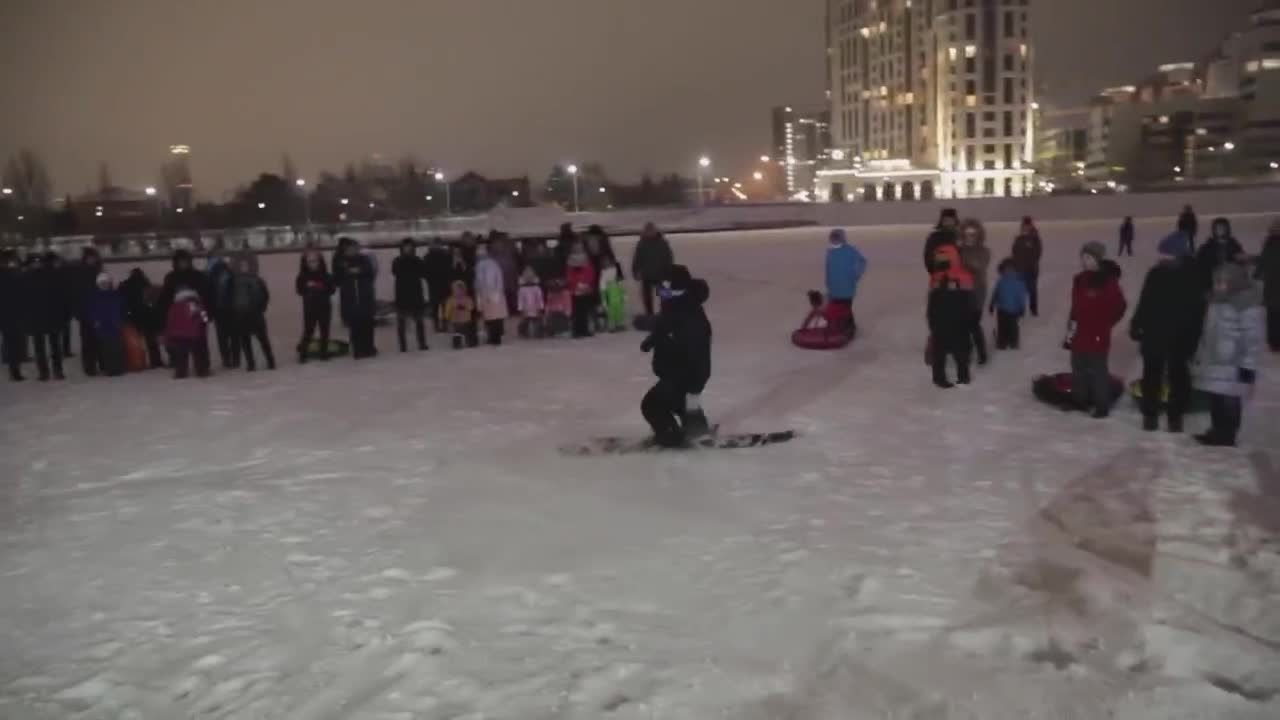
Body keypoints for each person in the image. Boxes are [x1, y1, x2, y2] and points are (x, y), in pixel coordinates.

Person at [1129, 234, 1205, 433]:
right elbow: (1145, 301)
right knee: (1151, 376)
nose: (1162, 258)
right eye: (1162, 254)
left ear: (1179, 254)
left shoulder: (1193, 276)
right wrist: (1136, 324)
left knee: (1178, 378)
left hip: (1180, 337)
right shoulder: (1155, 273)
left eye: (1167, 254)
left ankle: (1175, 416)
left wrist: (1193, 339)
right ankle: (1150, 414)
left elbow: (1198, 312)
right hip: (1154, 334)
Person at [640, 265, 712, 447]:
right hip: (675, 372)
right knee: (682, 405)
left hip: (684, 375)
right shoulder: (675, 306)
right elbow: (665, 327)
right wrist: (651, 341)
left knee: (652, 405)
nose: (658, 293)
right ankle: (698, 432)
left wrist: (695, 385)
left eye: (662, 289)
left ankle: (671, 437)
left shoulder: (689, 316)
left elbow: (698, 353)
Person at [1193, 262, 1264, 447]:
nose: (1218, 286)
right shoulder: (1216, 302)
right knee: (1216, 399)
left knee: (1230, 400)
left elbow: (1252, 339)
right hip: (1215, 360)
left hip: (1233, 362)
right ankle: (1217, 431)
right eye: (1216, 282)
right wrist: (1201, 354)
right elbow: (1208, 331)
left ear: (1234, 282)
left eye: (1222, 282)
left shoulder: (1246, 306)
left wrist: (1248, 366)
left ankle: (1227, 436)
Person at [1065, 242, 1127, 418]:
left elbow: (1120, 306)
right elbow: (1075, 307)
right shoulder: (1079, 279)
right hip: (1079, 333)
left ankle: (1102, 405)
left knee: (1098, 371)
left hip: (1098, 334)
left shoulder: (1108, 281)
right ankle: (1080, 400)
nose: (1085, 261)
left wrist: (1106, 323)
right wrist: (1071, 329)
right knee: (1078, 367)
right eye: (1083, 257)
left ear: (1098, 259)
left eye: (1089, 257)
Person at [927, 244, 975, 389]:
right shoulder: (935, 277)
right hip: (941, 321)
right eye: (939, 257)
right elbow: (932, 301)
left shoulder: (964, 276)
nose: (941, 260)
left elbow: (968, 300)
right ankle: (939, 378)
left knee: (960, 350)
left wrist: (968, 319)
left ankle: (963, 377)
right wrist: (932, 320)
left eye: (944, 256)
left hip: (957, 321)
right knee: (939, 352)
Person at [223, 255, 275, 371]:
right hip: (240, 315)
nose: (243, 268)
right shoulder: (232, 281)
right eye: (241, 265)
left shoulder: (257, 280)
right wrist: (233, 310)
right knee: (245, 341)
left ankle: (270, 361)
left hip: (255, 314)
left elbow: (265, 295)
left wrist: (261, 307)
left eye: (246, 265)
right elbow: (228, 297)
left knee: (263, 339)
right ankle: (251, 363)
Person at [29, 252, 69, 381]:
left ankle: (57, 370)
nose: (37, 264)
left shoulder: (52, 275)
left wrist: (62, 313)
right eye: (34, 262)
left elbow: (60, 296)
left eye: (38, 261)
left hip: (51, 316)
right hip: (36, 317)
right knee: (40, 347)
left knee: (54, 345)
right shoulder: (27, 277)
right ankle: (44, 372)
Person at [335, 240, 378, 359]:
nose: (352, 251)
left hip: (365, 299)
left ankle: (369, 348)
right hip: (351, 301)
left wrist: (359, 271)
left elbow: (370, 272)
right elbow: (338, 278)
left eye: (354, 248)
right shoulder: (341, 261)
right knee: (355, 327)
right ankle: (358, 349)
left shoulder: (364, 259)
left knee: (368, 325)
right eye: (349, 249)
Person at [958, 218, 991, 365]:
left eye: (973, 233)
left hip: (977, 292)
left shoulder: (983, 251)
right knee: (963, 324)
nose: (970, 236)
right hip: (962, 292)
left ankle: (981, 353)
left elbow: (978, 266)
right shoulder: (959, 251)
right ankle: (966, 349)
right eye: (967, 233)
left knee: (974, 324)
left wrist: (967, 268)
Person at [119, 268, 165, 369]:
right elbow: (154, 301)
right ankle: (156, 361)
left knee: (135, 341)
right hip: (148, 315)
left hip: (133, 315)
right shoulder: (146, 284)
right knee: (151, 340)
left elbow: (122, 300)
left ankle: (137, 361)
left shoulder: (125, 286)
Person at [824, 228, 868, 335]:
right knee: (835, 309)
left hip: (847, 288)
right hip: (834, 289)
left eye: (837, 238)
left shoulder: (850, 250)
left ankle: (850, 328)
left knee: (846, 310)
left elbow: (862, 261)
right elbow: (828, 269)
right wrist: (828, 284)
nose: (834, 240)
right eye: (833, 238)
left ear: (842, 239)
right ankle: (838, 326)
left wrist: (856, 275)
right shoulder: (830, 252)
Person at [296, 250, 336, 362]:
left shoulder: (326, 275)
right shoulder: (302, 276)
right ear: (305, 263)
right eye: (310, 262)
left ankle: (324, 353)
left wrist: (319, 287)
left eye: (315, 261)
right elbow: (299, 290)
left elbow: (332, 290)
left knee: (325, 331)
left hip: (325, 307)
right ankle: (303, 354)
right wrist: (308, 288)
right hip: (310, 308)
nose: (313, 264)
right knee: (308, 331)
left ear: (320, 262)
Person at [85, 272, 127, 377]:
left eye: (106, 283)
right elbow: (91, 311)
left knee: (116, 347)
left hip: (115, 325)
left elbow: (122, 309)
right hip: (102, 326)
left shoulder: (115, 295)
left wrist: (121, 320)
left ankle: (119, 367)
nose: (104, 285)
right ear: (98, 284)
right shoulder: (94, 296)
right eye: (102, 283)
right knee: (106, 349)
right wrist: (95, 321)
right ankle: (110, 369)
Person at [72, 247, 106, 375]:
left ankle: (102, 363)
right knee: (88, 341)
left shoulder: (100, 272)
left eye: (93, 257)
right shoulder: (80, 273)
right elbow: (75, 294)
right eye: (89, 257)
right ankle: (90, 366)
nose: (91, 260)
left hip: (99, 311)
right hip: (85, 311)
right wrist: (78, 311)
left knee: (100, 339)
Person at [165, 286, 211, 379]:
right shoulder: (198, 304)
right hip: (195, 333)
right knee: (198, 353)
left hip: (178, 334)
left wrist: (170, 332)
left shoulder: (174, 306)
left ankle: (180, 373)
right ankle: (201, 371)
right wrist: (204, 324)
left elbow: (170, 320)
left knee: (181, 355)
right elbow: (205, 318)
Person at [392, 238, 429, 352]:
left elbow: (423, 273)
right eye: (405, 246)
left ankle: (422, 343)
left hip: (416, 293)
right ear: (402, 248)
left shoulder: (417, 260)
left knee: (419, 321)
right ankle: (403, 346)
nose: (408, 248)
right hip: (402, 294)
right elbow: (395, 271)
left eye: (410, 246)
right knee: (401, 322)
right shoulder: (397, 261)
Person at [631, 222, 674, 318]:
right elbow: (637, 259)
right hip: (647, 275)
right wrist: (636, 271)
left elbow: (669, 258)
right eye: (647, 231)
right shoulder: (642, 244)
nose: (650, 233)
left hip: (662, 274)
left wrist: (669, 271)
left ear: (655, 231)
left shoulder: (662, 243)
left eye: (651, 230)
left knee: (665, 296)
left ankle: (667, 312)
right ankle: (649, 314)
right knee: (647, 297)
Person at [1195, 217, 1245, 293]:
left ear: (1227, 229)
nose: (1220, 230)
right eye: (1218, 228)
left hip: (1231, 285)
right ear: (1213, 229)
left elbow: (1241, 263)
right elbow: (1200, 266)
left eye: (1222, 227)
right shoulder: (1206, 248)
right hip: (1211, 285)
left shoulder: (1234, 246)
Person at [0, 250, 28, 381]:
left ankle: (14, 365)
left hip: (13, 312)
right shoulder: (9, 274)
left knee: (13, 340)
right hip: (10, 313)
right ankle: (14, 370)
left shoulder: (13, 273)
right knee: (12, 341)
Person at [989, 258, 1028, 351]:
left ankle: (1009, 342)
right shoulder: (1002, 280)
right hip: (1005, 309)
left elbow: (1021, 296)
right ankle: (1005, 342)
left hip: (1010, 309)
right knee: (1006, 326)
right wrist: (992, 303)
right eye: (1006, 268)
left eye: (1009, 268)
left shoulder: (1018, 281)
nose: (1007, 270)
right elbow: (996, 293)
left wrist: (1022, 307)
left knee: (1010, 326)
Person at [206, 250, 236, 368]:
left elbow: (207, 294)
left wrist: (209, 312)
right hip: (228, 307)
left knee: (222, 336)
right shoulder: (228, 271)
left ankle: (227, 359)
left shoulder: (209, 273)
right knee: (232, 334)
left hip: (219, 308)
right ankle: (233, 358)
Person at [474, 242, 508, 345]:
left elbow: (481, 280)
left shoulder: (481, 264)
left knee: (490, 317)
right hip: (497, 293)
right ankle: (497, 335)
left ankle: (493, 338)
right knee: (497, 316)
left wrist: (481, 290)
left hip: (487, 293)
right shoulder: (494, 263)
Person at [1011, 216, 1043, 317]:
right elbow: (1014, 251)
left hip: (1031, 269)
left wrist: (1031, 264)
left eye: (1027, 226)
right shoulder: (1019, 238)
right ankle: (1021, 310)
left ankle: (1033, 309)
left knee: (1032, 290)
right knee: (1020, 290)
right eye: (1024, 226)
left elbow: (1037, 253)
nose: (1025, 227)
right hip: (1020, 269)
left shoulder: (1034, 238)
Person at [566, 241, 597, 338]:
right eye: (576, 246)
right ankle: (576, 331)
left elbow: (591, 272)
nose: (578, 248)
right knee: (576, 312)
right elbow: (569, 275)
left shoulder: (586, 259)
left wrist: (587, 284)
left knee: (584, 311)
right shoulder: (570, 260)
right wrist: (575, 284)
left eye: (579, 247)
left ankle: (584, 330)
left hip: (585, 289)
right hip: (575, 290)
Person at [423, 237, 453, 332]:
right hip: (437, 284)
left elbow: (449, 269)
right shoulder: (431, 256)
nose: (436, 246)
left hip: (440, 284)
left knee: (442, 306)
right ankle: (440, 325)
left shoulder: (429, 256)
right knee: (437, 307)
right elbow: (425, 272)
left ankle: (442, 325)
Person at [1259, 218, 1280, 351]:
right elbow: (1263, 261)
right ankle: (1274, 342)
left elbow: (1263, 261)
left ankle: (1274, 342)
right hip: (1273, 284)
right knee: (1273, 314)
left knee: (1273, 315)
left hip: (1272, 284)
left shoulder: (1268, 244)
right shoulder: (1268, 244)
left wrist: (1258, 273)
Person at [598, 249, 627, 333]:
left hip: (617, 292)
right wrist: (603, 297)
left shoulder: (616, 269)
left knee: (619, 310)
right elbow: (602, 284)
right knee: (611, 311)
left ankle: (619, 324)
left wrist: (624, 294)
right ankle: (612, 325)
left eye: (607, 260)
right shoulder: (603, 272)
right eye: (604, 261)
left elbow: (621, 283)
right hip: (609, 293)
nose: (606, 262)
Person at [923, 208, 960, 273]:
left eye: (951, 220)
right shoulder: (935, 237)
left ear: (955, 221)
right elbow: (929, 257)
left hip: (959, 276)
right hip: (940, 275)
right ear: (942, 222)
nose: (948, 223)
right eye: (946, 220)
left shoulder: (961, 237)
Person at [443, 280, 478, 349]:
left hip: (466, 321)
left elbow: (471, 307)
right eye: (456, 290)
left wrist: (464, 306)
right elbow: (447, 311)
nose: (459, 292)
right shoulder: (451, 300)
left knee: (470, 331)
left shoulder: (467, 298)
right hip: (456, 321)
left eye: (460, 290)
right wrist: (447, 318)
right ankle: (457, 343)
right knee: (456, 333)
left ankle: (471, 341)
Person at [517, 266, 546, 338]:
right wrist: (521, 309)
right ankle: (524, 333)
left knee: (538, 321)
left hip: (534, 309)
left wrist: (540, 308)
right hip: (527, 309)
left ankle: (539, 333)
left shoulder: (536, 288)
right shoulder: (522, 289)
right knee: (524, 322)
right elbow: (520, 300)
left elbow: (539, 299)